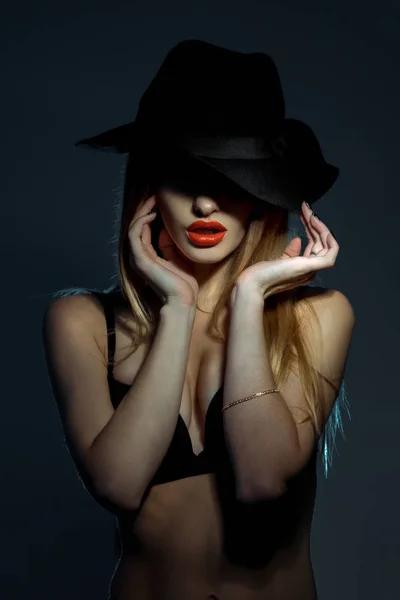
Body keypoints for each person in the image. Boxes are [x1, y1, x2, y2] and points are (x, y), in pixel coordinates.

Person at [42, 40, 355, 600]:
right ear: (149, 187)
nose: (206, 204)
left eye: (231, 178)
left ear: (264, 194)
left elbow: (262, 479)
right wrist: (179, 308)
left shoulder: (317, 317)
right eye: (184, 173)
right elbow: (118, 483)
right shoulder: (82, 322)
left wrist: (251, 297)